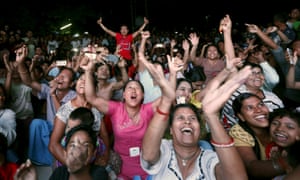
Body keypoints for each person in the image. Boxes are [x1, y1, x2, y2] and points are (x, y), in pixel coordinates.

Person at [140, 35, 250, 180]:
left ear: (200, 128)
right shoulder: (165, 148)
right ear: (171, 129)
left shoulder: (209, 158)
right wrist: (167, 98)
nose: (187, 121)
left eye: (193, 118)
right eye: (180, 118)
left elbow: (237, 178)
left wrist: (211, 116)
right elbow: (148, 155)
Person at [81, 36, 181, 179]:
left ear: (142, 96)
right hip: (120, 165)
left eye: (137, 89)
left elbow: (168, 97)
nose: (133, 91)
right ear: (123, 95)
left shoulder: (147, 109)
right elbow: (91, 98)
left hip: (147, 164)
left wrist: (173, 73)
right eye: (129, 88)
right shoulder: (115, 109)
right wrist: (87, 71)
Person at [49, 72, 110, 168]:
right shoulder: (65, 110)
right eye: (81, 79)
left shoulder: (97, 109)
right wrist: (74, 166)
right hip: (70, 158)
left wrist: (105, 156)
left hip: (93, 157)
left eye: (87, 81)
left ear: (93, 88)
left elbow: (104, 135)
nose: (83, 82)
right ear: (76, 84)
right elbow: (53, 145)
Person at [229, 93, 291, 179]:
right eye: (250, 107)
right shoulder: (239, 132)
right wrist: (289, 162)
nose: (258, 110)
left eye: (261, 104)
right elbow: (252, 168)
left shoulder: (277, 121)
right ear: (241, 116)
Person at [14, 125, 108, 180]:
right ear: (65, 152)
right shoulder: (60, 172)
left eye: (85, 145)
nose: (77, 151)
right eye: (72, 145)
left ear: (94, 153)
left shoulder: (99, 173)